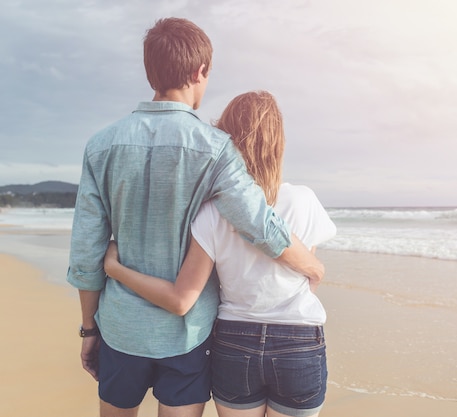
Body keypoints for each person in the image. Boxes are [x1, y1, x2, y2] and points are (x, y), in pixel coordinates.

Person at [67, 19, 324, 417]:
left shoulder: (101, 145)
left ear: (150, 70)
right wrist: (310, 265)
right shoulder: (216, 148)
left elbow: (87, 249)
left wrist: (89, 328)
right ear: (198, 72)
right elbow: (258, 224)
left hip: (121, 327)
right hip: (187, 335)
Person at [104, 90, 337, 417]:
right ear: (279, 143)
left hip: (234, 342)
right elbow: (307, 276)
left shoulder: (212, 211)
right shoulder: (304, 200)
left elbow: (181, 298)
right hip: (298, 340)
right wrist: (316, 270)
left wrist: (114, 268)